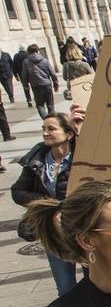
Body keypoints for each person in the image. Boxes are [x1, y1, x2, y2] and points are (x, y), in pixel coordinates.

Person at [12, 114, 78, 294]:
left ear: (69, 134)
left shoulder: (81, 157)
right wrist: (47, 204)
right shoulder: (37, 158)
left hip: (83, 228)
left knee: (94, 283)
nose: (46, 133)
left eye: (51, 129)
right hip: (52, 230)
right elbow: (17, 192)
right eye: (43, 129)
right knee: (65, 288)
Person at [21, 44, 58, 117]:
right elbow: (52, 73)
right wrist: (55, 83)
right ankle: (51, 120)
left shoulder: (26, 62)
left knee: (40, 105)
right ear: (38, 51)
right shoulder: (45, 60)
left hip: (36, 85)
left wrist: (25, 85)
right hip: (47, 84)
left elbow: (24, 75)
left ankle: (45, 119)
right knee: (50, 104)